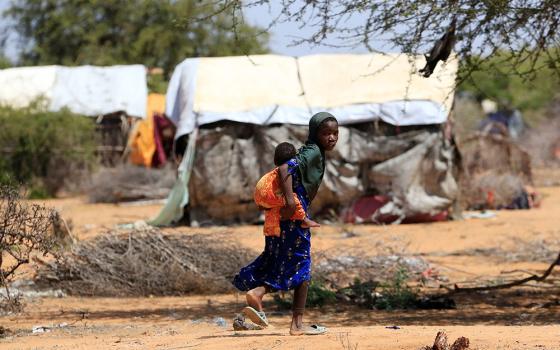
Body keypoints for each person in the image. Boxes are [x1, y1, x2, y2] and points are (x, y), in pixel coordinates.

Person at [232, 112, 339, 335]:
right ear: (315, 134)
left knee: (280, 261)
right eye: (326, 133)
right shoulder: (312, 152)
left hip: (281, 219)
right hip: (292, 219)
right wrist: (291, 201)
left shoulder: (312, 150)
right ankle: (294, 323)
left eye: (335, 133)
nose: (331, 138)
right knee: (302, 267)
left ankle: (262, 295)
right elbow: (285, 168)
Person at [254, 141, 320, 236]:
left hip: (259, 196)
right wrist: (290, 208)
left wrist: (262, 203)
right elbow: (291, 202)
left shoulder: (272, 174)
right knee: (292, 198)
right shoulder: (286, 167)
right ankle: (304, 220)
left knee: (274, 208)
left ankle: (271, 232)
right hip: (267, 194)